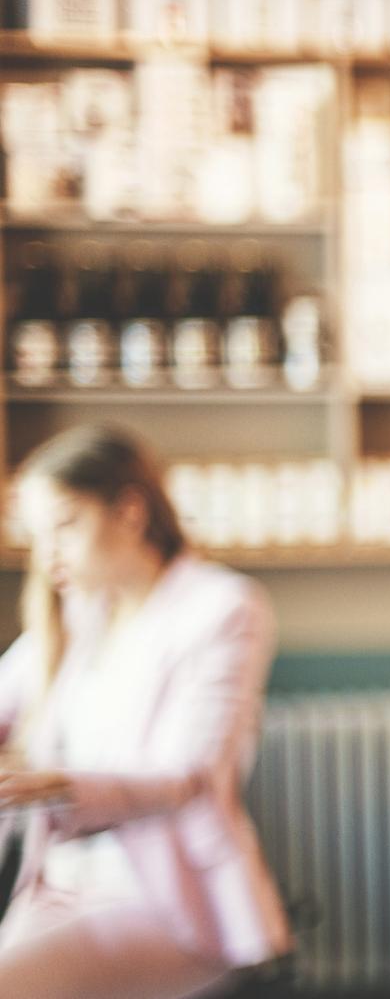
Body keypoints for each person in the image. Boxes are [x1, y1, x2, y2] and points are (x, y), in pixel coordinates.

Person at [0, 425, 290, 998]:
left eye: (64, 525)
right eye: (38, 535)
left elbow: (187, 775)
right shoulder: (80, 614)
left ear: (129, 512)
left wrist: (49, 785)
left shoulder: (223, 608)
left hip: (167, 898)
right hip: (61, 887)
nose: (47, 555)